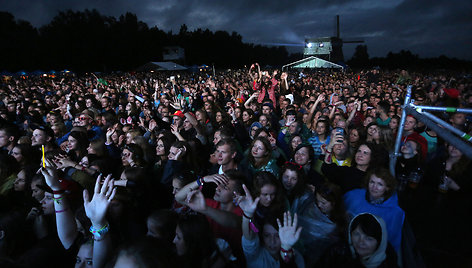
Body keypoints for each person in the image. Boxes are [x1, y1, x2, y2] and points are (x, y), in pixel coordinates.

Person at [235, 183, 305, 267]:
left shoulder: (297, 257)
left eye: (277, 236)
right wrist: (247, 214)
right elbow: (249, 239)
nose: (272, 241)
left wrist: (286, 248)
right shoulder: (255, 254)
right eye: (267, 235)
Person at [344, 168, 405, 253]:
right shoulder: (353, 195)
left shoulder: (394, 212)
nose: (374, 187)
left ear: (387, 188)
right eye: (372, 182)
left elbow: (392, 241)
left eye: (380, 184)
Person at [319, 213, 399, 268]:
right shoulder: (337, 251)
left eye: (369, 238)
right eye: (357, 234)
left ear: (380, 241)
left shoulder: (389, 263)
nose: (361, 242)